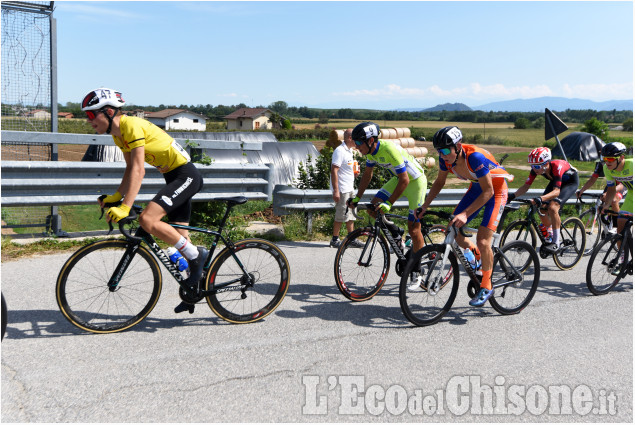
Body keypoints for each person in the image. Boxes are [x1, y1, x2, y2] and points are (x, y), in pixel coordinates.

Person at [81, 87, 206, 314]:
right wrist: (116, 197)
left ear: (108, 112)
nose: (89, 121)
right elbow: (130, 169)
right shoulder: (118, 134)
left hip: (186, 176)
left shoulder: (130, 125)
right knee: (180, 241)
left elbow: (139, 170)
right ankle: (193, 291)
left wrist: (126, 206)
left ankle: (199, 256)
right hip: (172, 177)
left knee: (148, 219)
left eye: (91, 115)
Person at [417, 126, 513, 307]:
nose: (442, 155)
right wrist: (424, 206)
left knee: (484, 240)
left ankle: (486, 285)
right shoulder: (445, 159)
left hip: (496, 190)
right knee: (453, 228)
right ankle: (477, 257)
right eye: (439, 151)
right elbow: (439, 182)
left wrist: (465, 213)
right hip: (477, 188)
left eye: (445, 150)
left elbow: (489, 191)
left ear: (458, 146)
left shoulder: (474, 157)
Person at [347, 121, 427, 253]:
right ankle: (396, 233)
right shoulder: (370, 152)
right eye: (355, 142)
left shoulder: (389, 149)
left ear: (371, 140)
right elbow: (368, 175)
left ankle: (417, 266)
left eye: (359, 143)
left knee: (413, 229)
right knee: (373, 208)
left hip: (416, 182)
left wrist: (389, 203)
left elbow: (405, 179)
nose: (356, 146)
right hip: (399, 179)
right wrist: (357, 198)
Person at [508, 147, 579, 253]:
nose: (534, 169)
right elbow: (526, 186)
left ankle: (556, 243)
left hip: (570, 183)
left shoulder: (557, 166)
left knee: (553, 206)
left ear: (546, 163)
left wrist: (540, 198)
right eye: (532, 166)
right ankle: (550, 230)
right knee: (541, 208)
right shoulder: (537, 169)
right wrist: (512, 196)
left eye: (537, 166)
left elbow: (556, 192)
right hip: (556, 181)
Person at [576, 157, 626, 231]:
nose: (606, 164)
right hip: (612, 184)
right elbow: (592, 179)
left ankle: (616, 227)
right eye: (603, 162)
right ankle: (608, 224)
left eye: (608, 161)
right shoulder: (600, 165)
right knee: (603, 203)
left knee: (614, 200)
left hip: (623, 184)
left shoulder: (617, 164)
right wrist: (582, 190)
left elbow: (621, 185)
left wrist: (609, 193)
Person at [330, 128, 359, 248]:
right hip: (342, 189)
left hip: (349, 187)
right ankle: (334, 239)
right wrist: (336, 190)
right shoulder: (340, 151)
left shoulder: (349, 151)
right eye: (356, 138)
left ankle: (351, 238)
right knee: (341, 214)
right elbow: (334, 170)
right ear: (350, 138)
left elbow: (345, 169)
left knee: (351, 214)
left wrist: (355, 173)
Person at [598, 142, 633, 241]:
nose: (607, 162)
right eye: (605, 158)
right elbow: (611, 189)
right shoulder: (607, 169)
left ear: (621, 157)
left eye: (610, 159)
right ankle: (622, 255)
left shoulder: (632, 165)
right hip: (632, 195)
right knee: (620, 224)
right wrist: (606, 205)